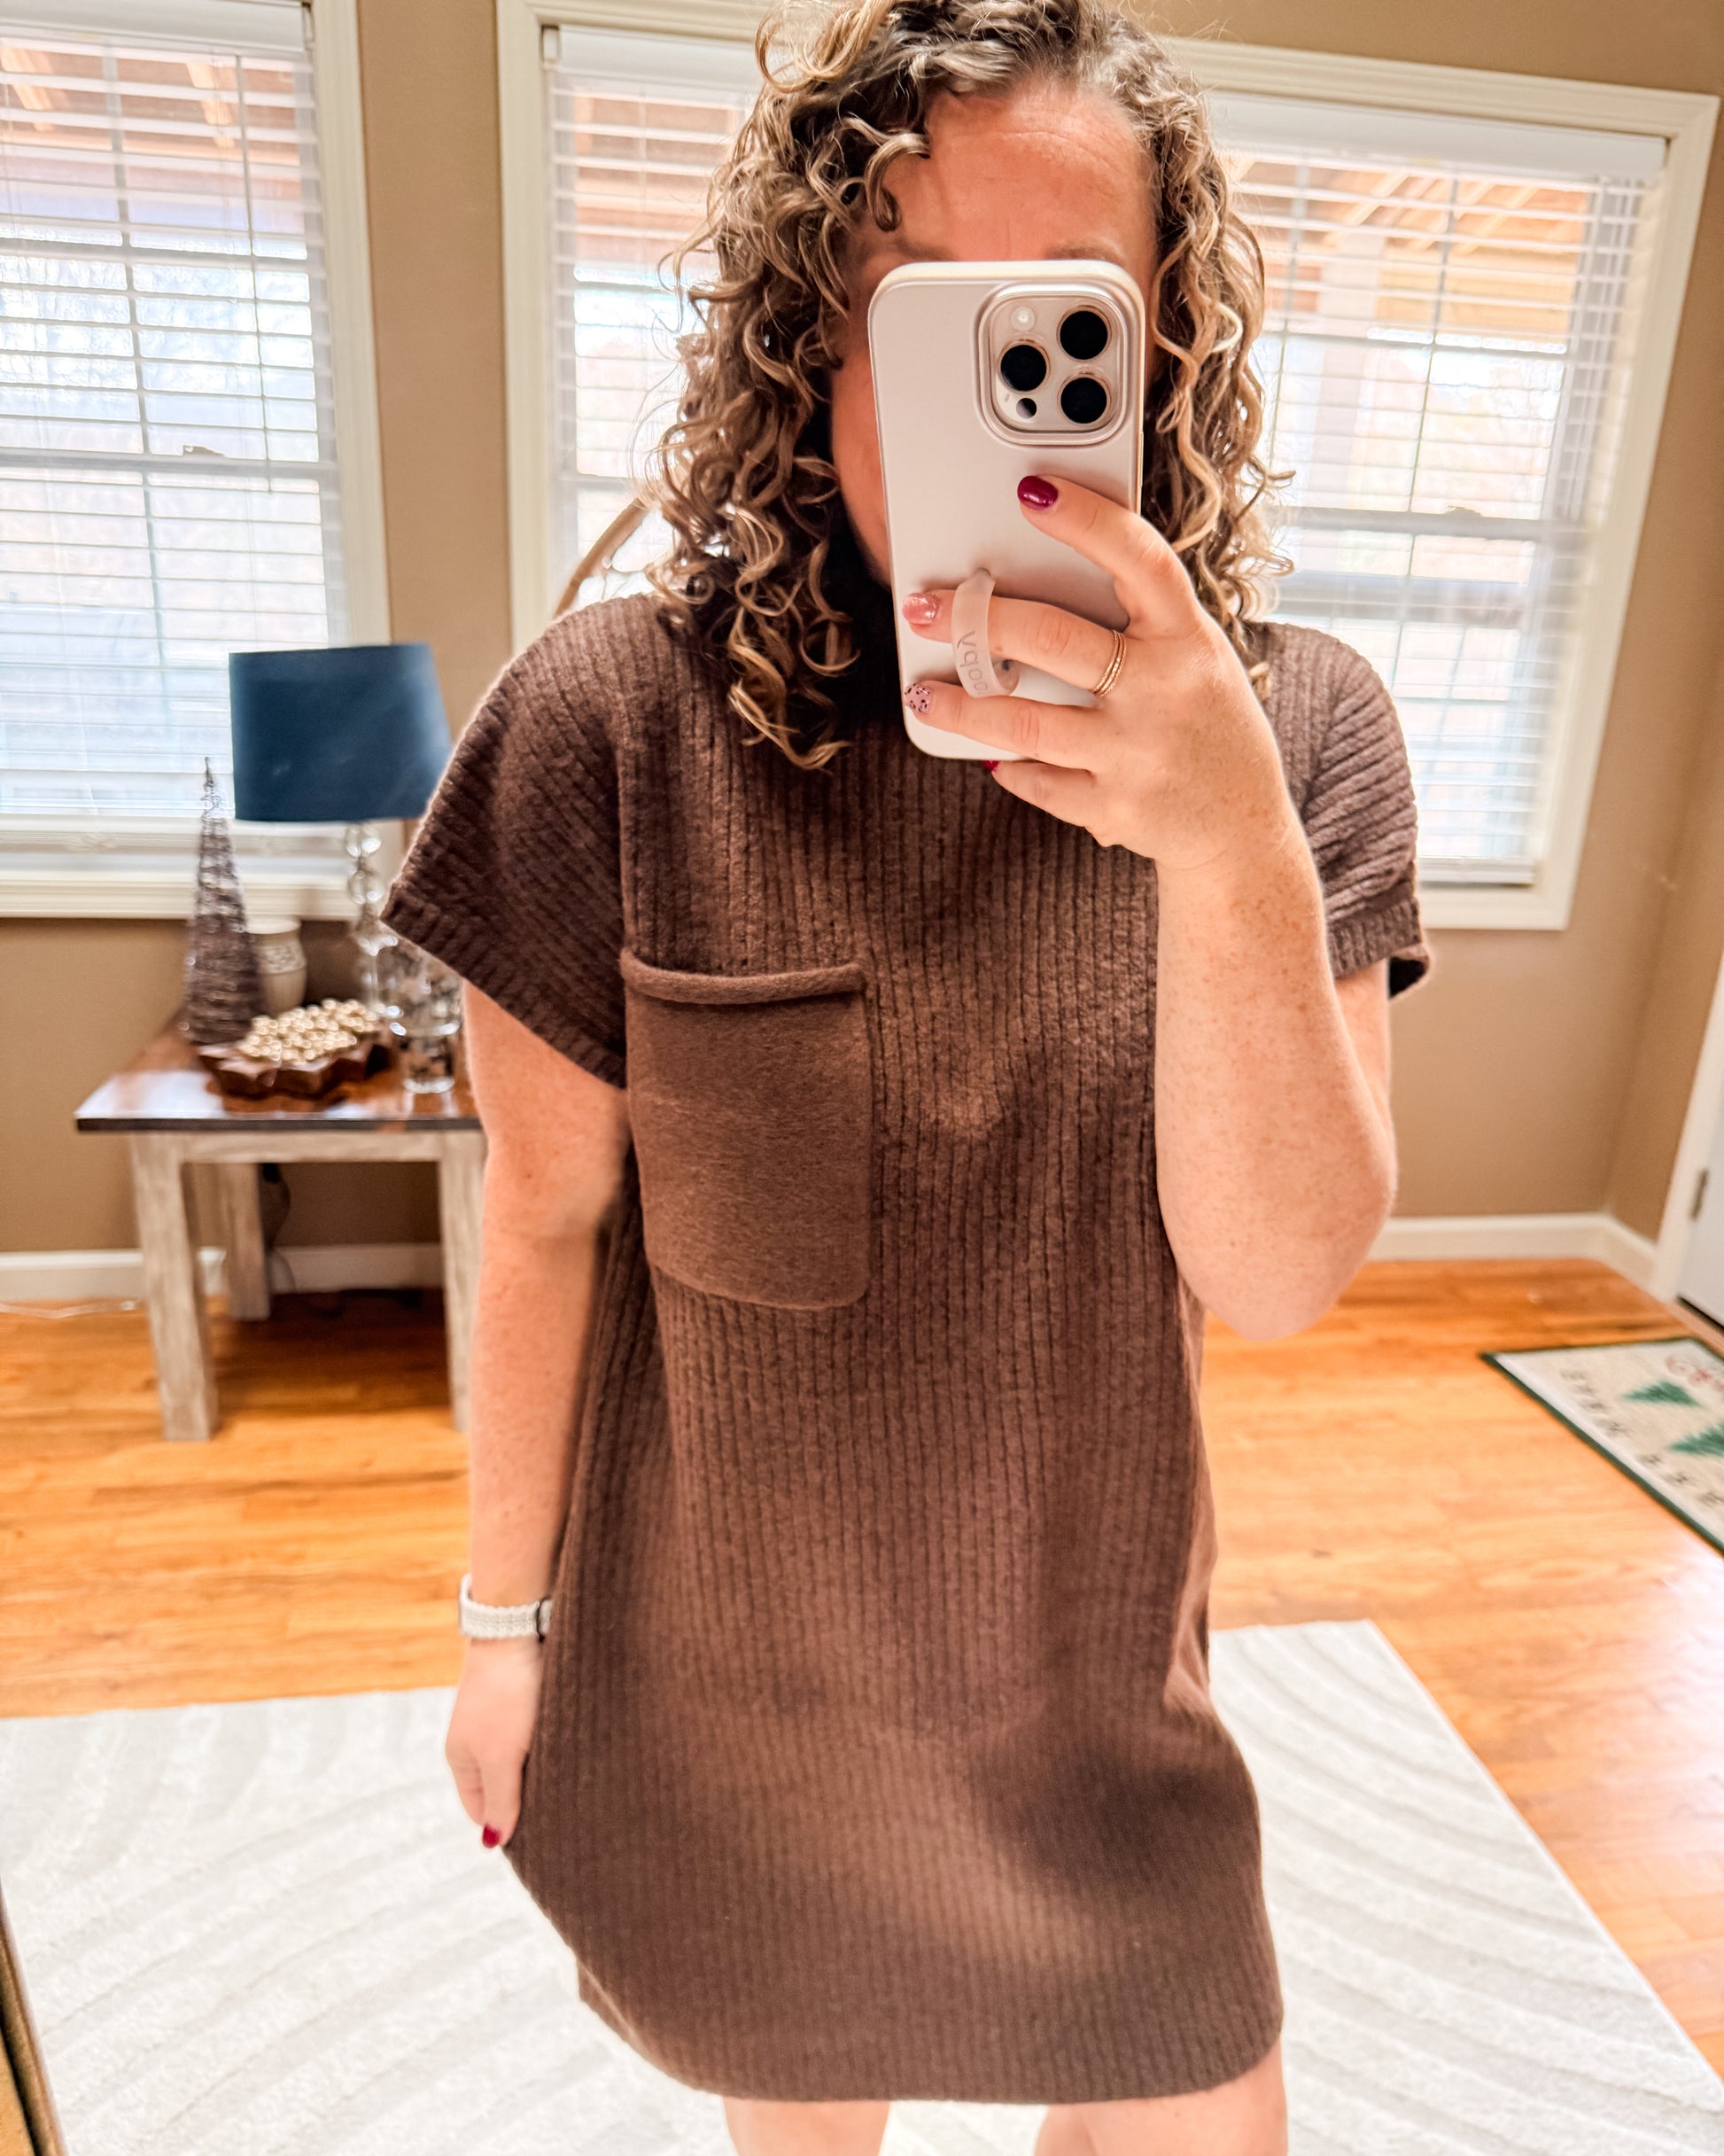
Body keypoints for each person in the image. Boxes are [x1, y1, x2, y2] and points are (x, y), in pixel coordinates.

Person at [379, 4, 1431, 2152]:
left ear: (1165, 360)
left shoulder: (1299, 732)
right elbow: (549, 1217)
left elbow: (1284, 1268)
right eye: (914, 319)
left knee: (1209, 2098)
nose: (994, 410)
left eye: (1058, 327)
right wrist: (504, 1636)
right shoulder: (614, 723)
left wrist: (1221, 838)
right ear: (803, 344)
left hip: (1086, 1690)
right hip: (743, 1699)